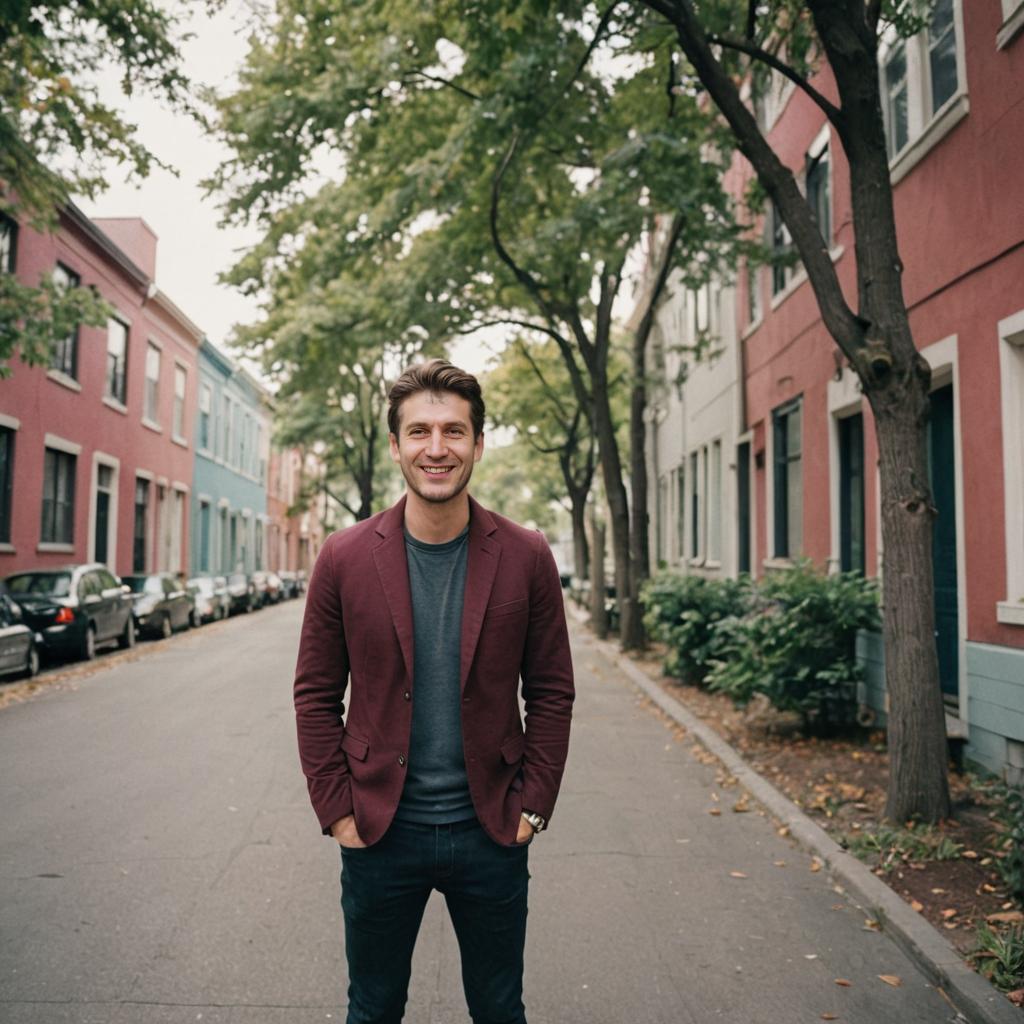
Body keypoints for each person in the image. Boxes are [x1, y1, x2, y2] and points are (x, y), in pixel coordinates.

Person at [293, 358, 575, 1024]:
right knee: (373, 1008)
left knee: (501, 1010)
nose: (437, 447)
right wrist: (338, 811)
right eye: (419, 432)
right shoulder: (343, 556)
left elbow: (553, 690)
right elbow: (314, 694)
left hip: (491, 829)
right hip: (380, 832)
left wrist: (531, 806)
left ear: (479, 444)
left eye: (454, 431)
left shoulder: (528, 555)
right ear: (395, 446)